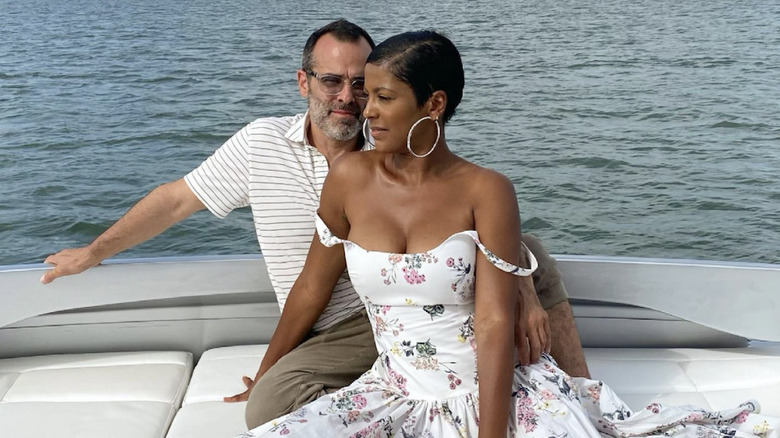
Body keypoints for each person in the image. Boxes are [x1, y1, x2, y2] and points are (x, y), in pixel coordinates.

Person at [39, 19, 588, 429]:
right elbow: (180, 203)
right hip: (345, 329)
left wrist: (522, 289)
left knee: (527, 249)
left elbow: (476, 221)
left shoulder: (410, 147)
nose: (353, 101)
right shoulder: (264, 145)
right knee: (270, 408)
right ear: (304, 82)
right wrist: (92, 253)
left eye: (367, 87)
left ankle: (580, 389)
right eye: (334, 82)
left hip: (434, 314)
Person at [235, 30, 777, 438]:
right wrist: (265, 374)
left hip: (491, 394)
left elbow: (495, 322)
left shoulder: (487, 190)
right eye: (365, 94)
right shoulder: (348, 177)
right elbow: (311, 286)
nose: (364, 110)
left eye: (382, 97)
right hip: (392, 388)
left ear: (434, 104)